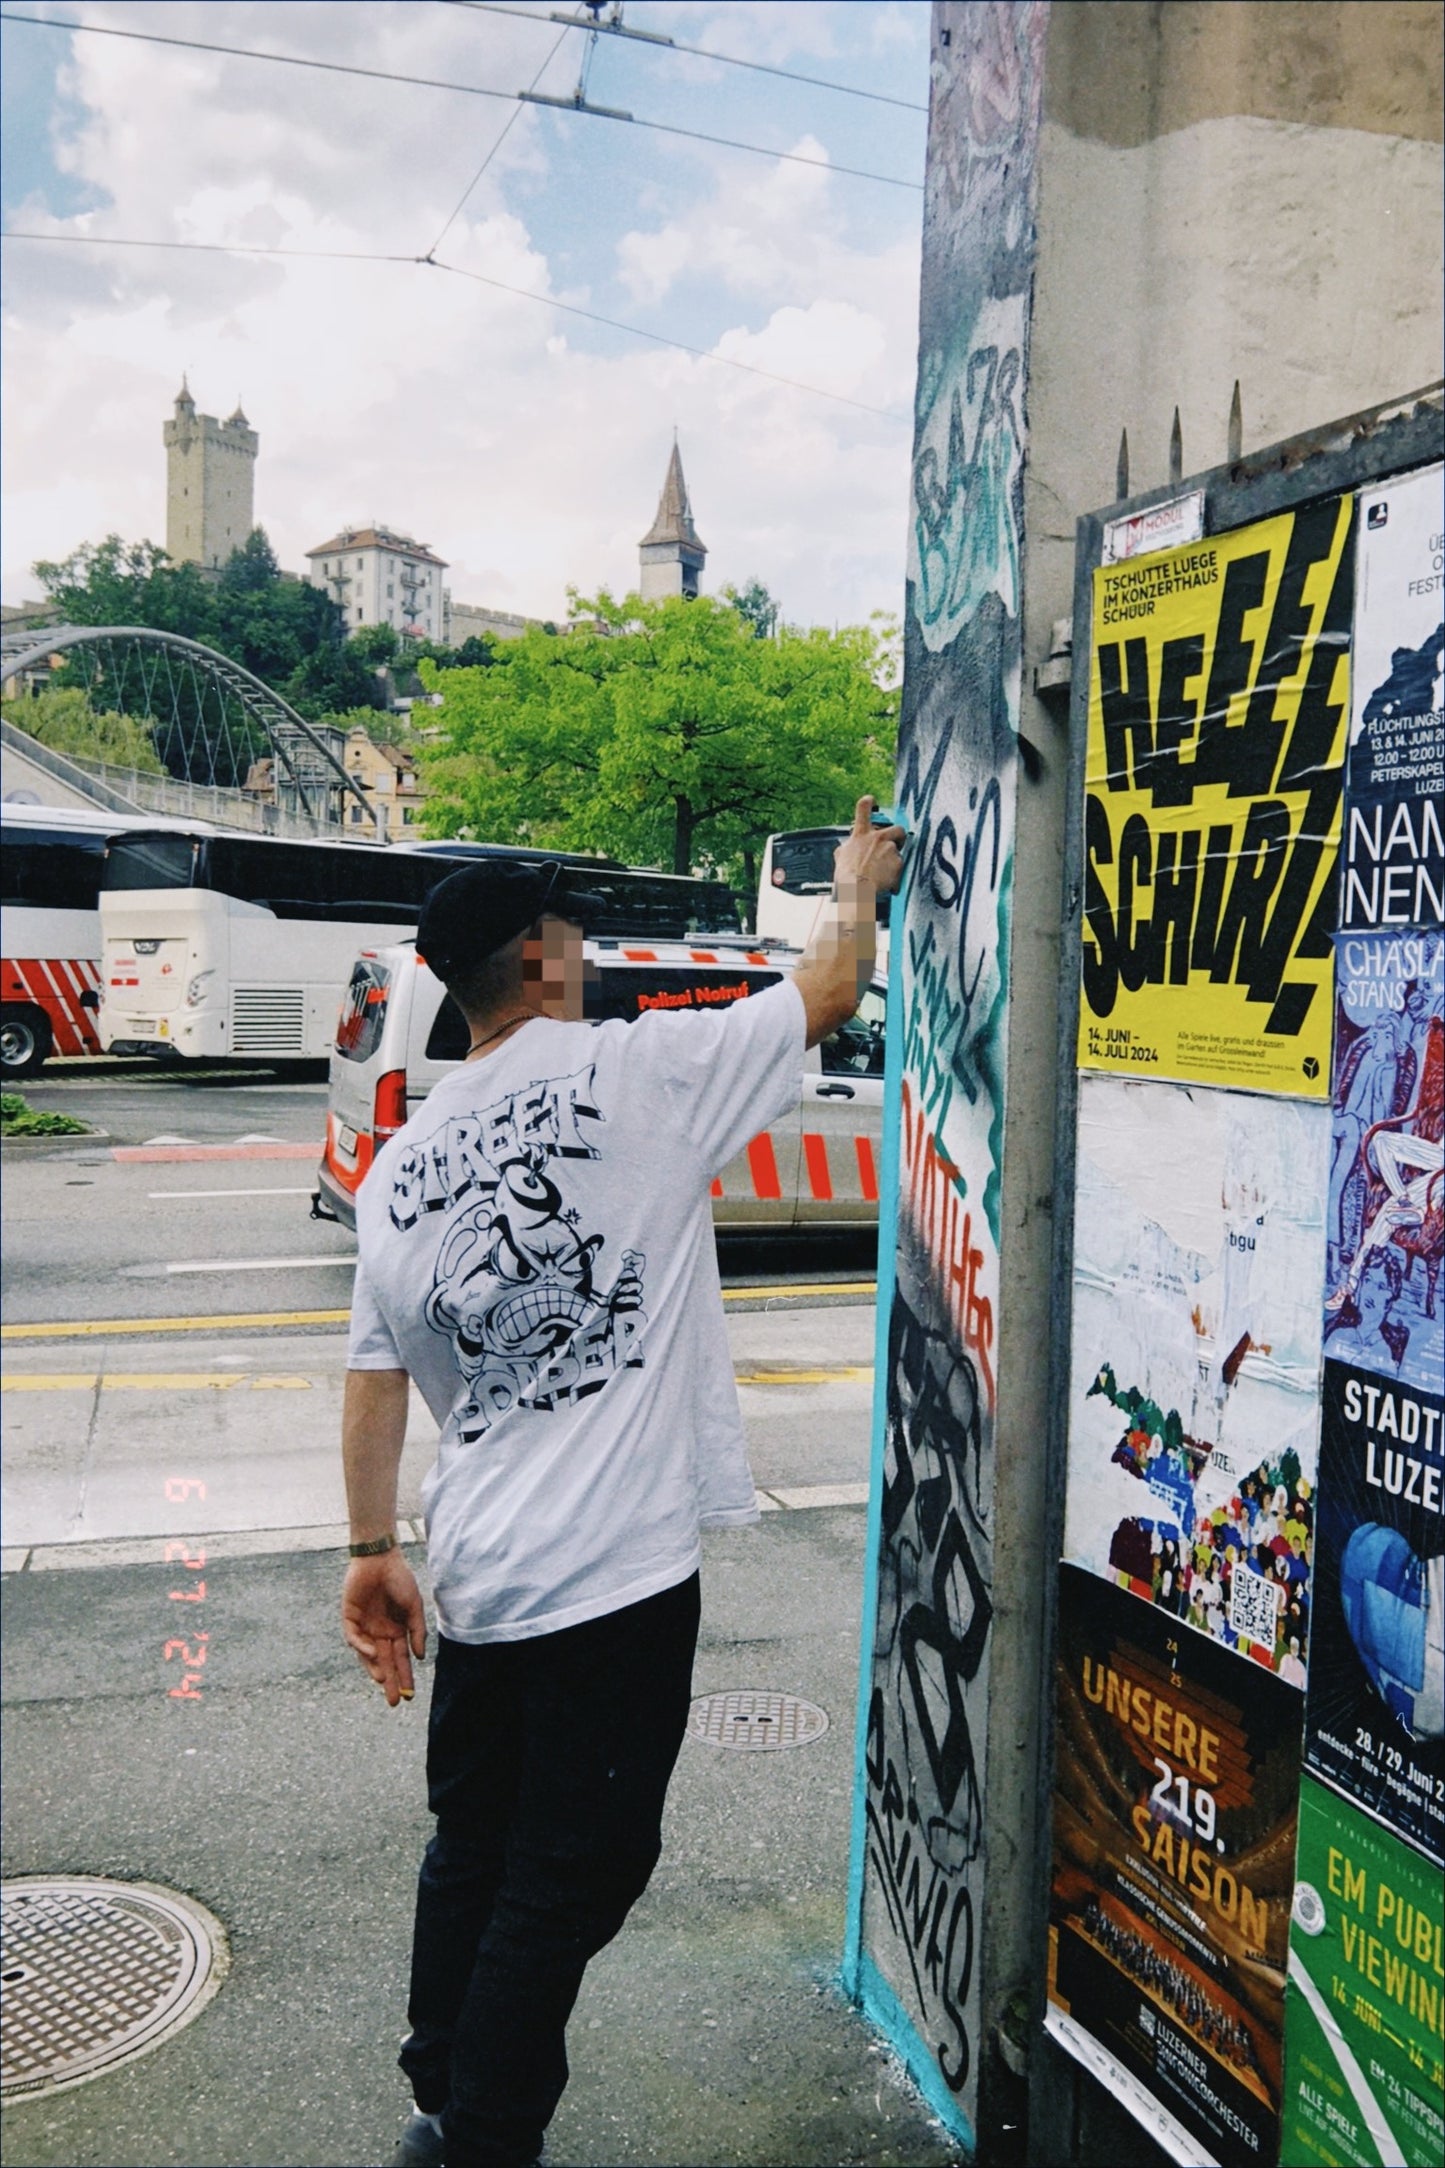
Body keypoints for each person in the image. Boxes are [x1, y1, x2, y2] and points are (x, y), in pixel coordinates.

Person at [339, 798, 905, 2168]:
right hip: (613, 1573)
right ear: (537, 961)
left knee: (475, 1840)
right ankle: (483, 2132)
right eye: (570, 928)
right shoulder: (637, 1072)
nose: (584, 945)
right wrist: (853, 886)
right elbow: (826, 991)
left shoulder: (400, 1163)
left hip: (477, 1567)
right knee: (574, 1865)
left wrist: (370, 1551)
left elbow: (371, 1375)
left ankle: (442, 2069)